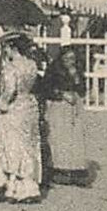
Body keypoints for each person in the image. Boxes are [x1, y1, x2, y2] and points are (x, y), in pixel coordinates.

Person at [0, 32, 44, 203]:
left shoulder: (11, 67)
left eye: (6, 48)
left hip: (15, 107)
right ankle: (29, 186)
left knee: (12, 145)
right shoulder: (31, 64)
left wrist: (2, 103)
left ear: (12, 48)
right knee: (28, 144)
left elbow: (10, 89)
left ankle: (14, 186)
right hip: (29, 104)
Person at [43, 44, 89, 185]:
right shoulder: (53, 70)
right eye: (67, 58)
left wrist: (76, 78)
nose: (70, 61)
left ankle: (75, 169)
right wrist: (62, 94)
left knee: (74, 138)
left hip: (74, 108)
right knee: (59, 138)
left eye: (73, 58)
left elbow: (83, 90)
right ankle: (59, 169)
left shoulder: (77, 71)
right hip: (59, 106)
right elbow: (46, 88)